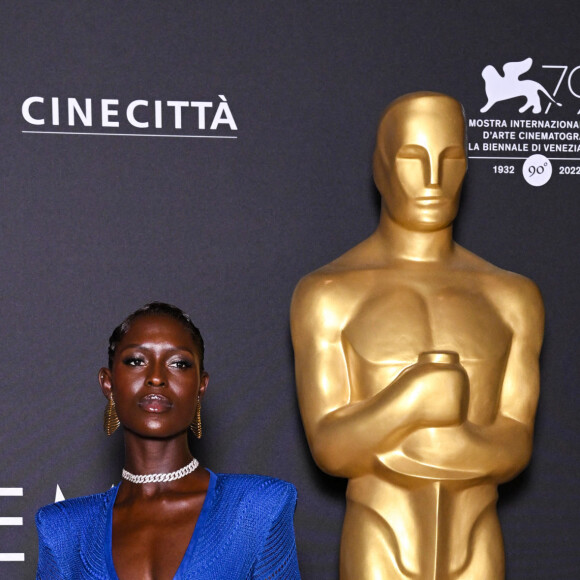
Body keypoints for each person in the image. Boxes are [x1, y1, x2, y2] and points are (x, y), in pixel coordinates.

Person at [290, 92, 544, 579]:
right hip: (380, 530)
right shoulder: (329, 294)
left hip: (477, 534)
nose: (433, 180)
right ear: (380, 168)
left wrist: (445, 441)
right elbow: (329, 448)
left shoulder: (512, 297)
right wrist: (411, 401)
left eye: (451, 159)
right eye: (413, 158)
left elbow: (517, 444)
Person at [36, 302, 301, 579]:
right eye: (136, 360)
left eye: (179, 363)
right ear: (108, 383)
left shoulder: (257, 508)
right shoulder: (63, 530)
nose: (156, 377)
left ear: (200, 386)